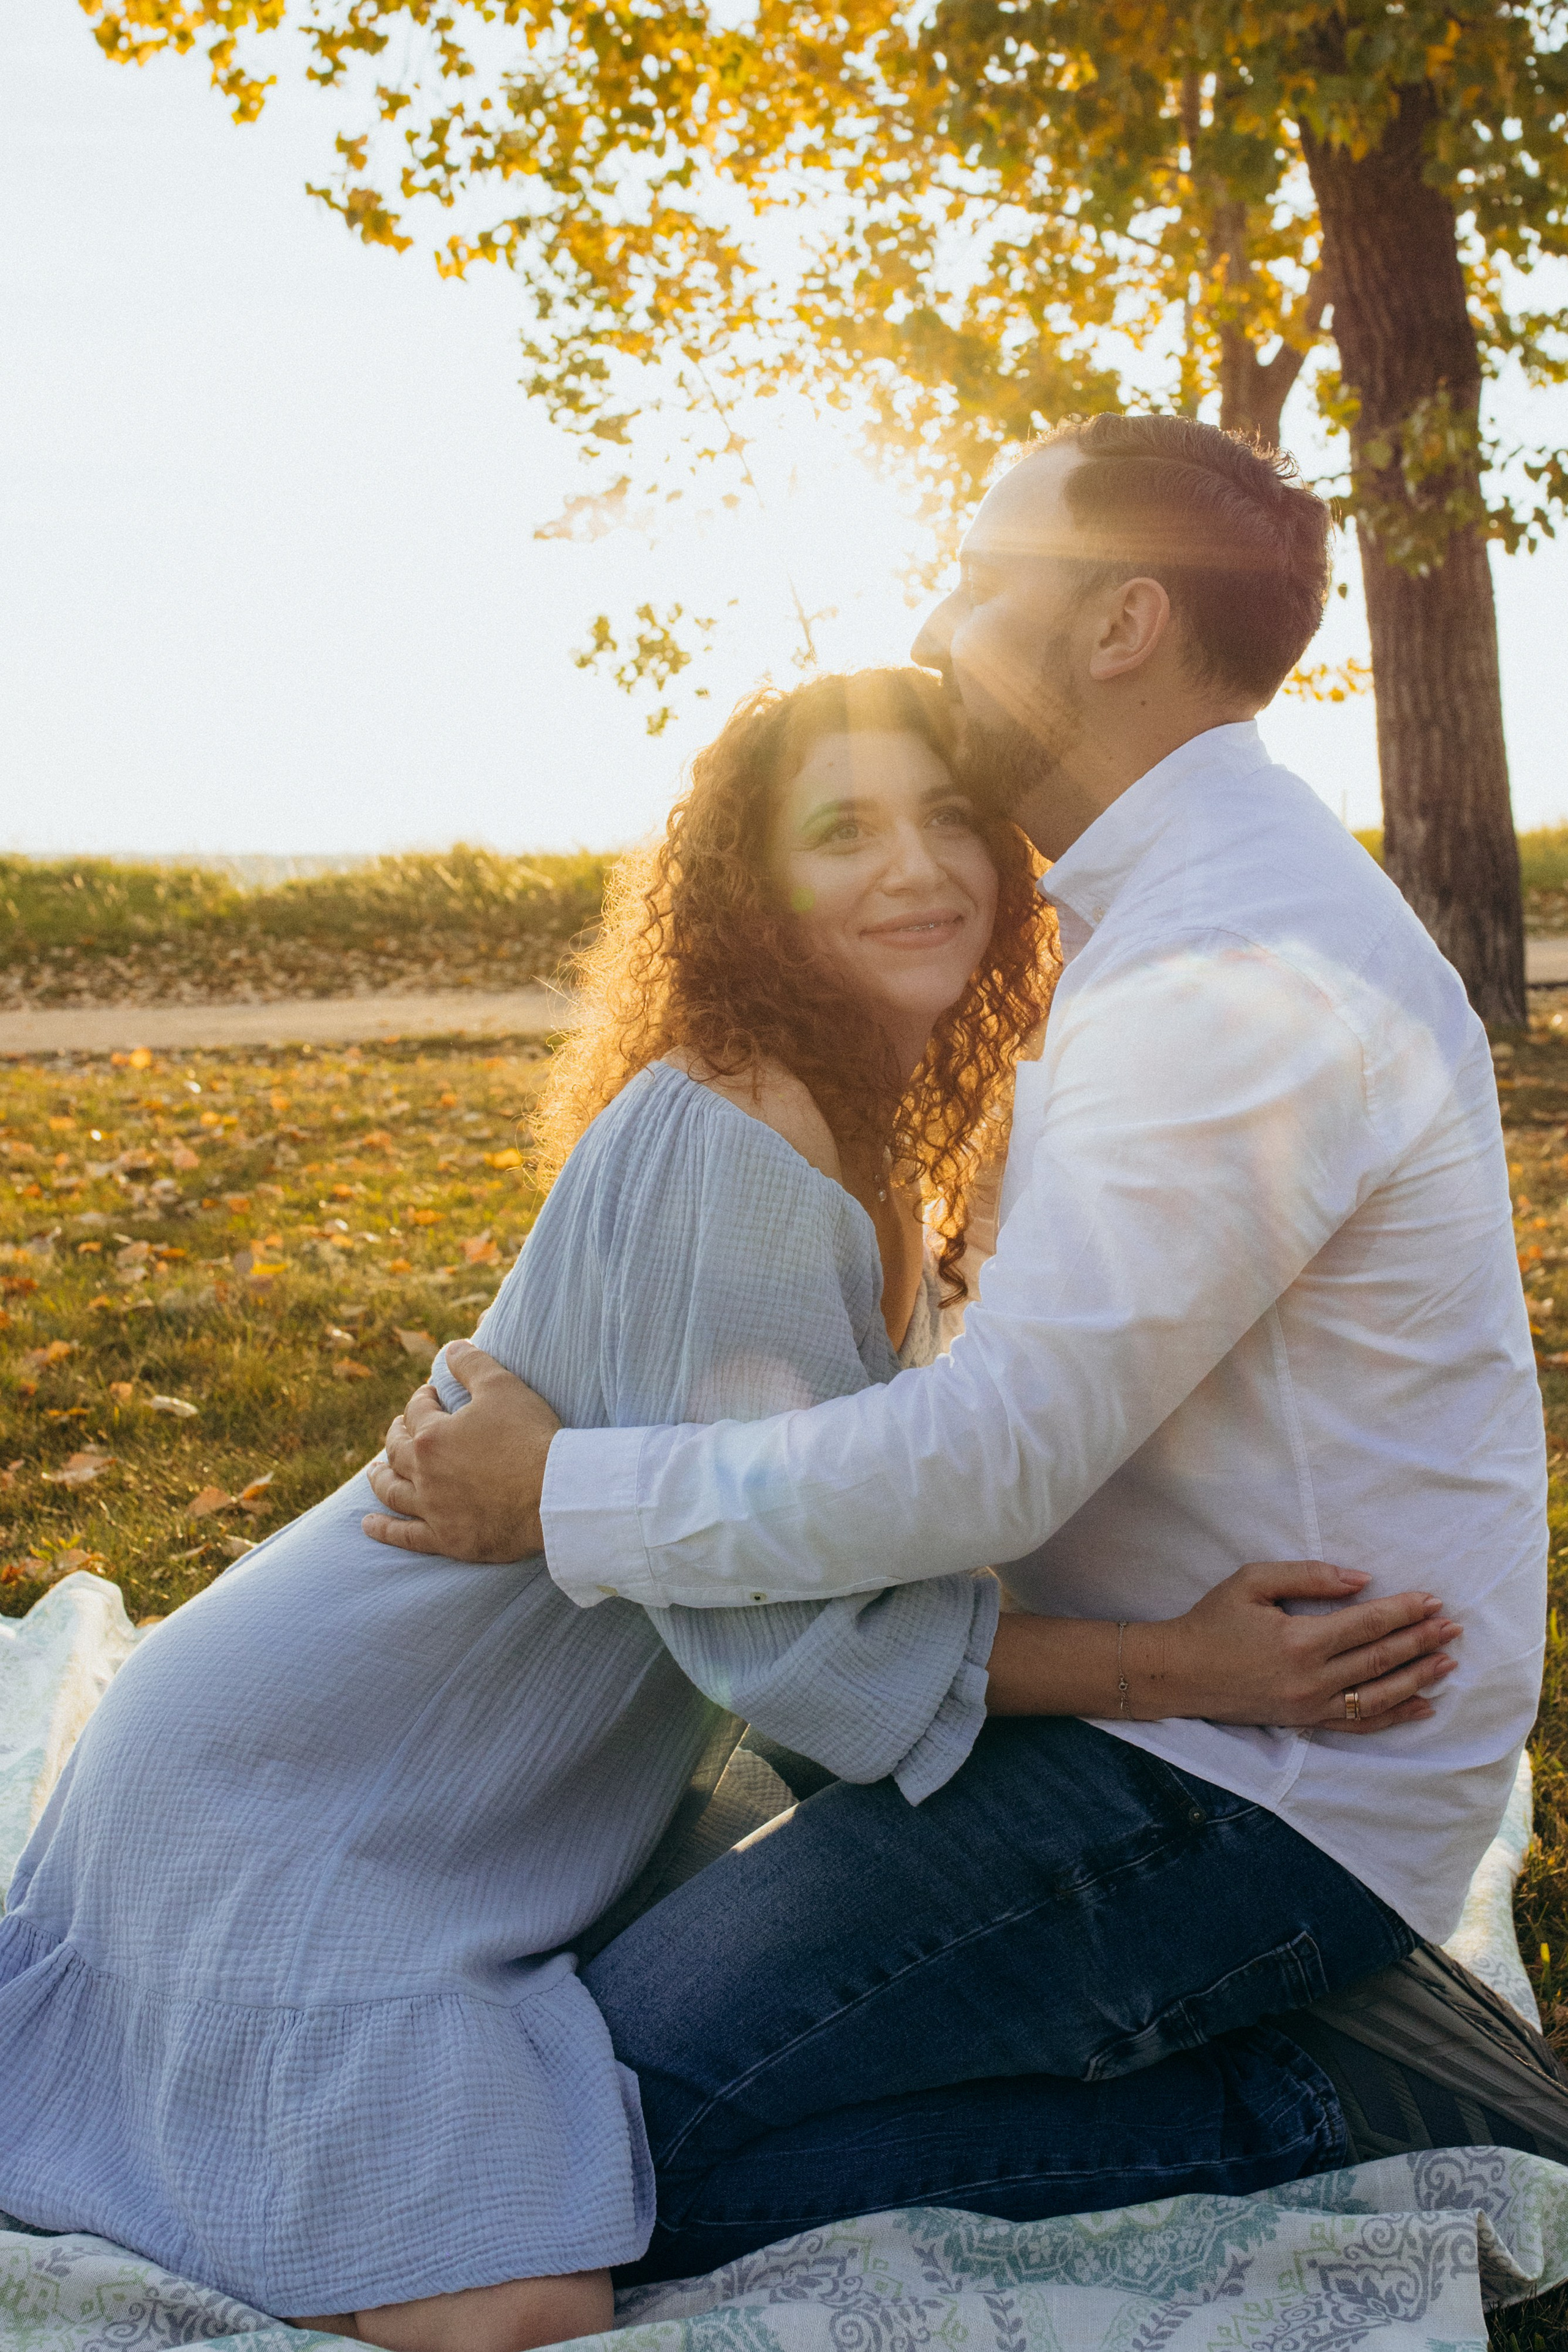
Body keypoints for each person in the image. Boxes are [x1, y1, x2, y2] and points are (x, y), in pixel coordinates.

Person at [0, 668, 1440, 2352]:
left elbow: (816, 1504)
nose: (918, 869)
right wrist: (1171, 1666)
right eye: (844, 832)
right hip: (303, 1802)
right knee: (518, 2302)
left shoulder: (863, 1116)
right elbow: (789, 1635)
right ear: (755, 888)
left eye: (947, 819)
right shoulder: (745, 1139)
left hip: (413, 1763)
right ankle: (1278, 2125)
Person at [365, 415, 1566, 2281]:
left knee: (574, 2156)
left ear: (1120, 624)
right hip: (1150, 1707)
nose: (936, 618)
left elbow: (996, 1456)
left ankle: (1322, 2107)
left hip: (1250, 1786)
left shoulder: (1226, 971)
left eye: (980, 576)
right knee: (553, 2053)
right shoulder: (1164, 917)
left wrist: (561, 1494)